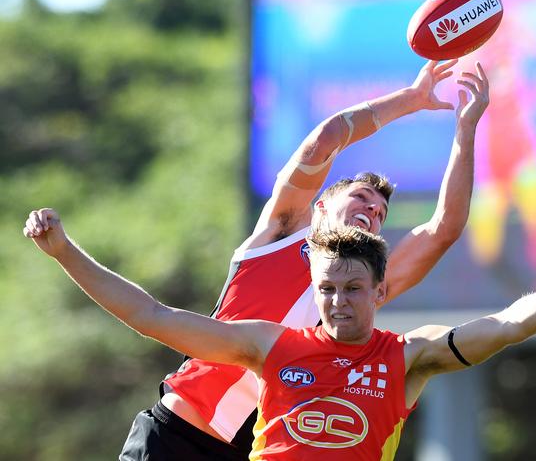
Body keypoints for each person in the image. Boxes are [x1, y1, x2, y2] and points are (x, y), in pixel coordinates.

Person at [98, 58, 486, 460]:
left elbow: (444, 229)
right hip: (175, 435)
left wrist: (466, 129)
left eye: (379, 214)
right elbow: (327, 138)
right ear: (320, 207)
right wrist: (409, 100)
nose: (372, 211)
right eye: (360, 198)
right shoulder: (280, 233)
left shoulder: (364, 286)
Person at [23, 211, 536, 460]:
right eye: (328, 290)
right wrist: (62, 251)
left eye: (354, 289)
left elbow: (510, 325)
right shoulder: (270, 347)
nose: (338, 302)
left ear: (381, 292)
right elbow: (153, 316)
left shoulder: (408, 358)